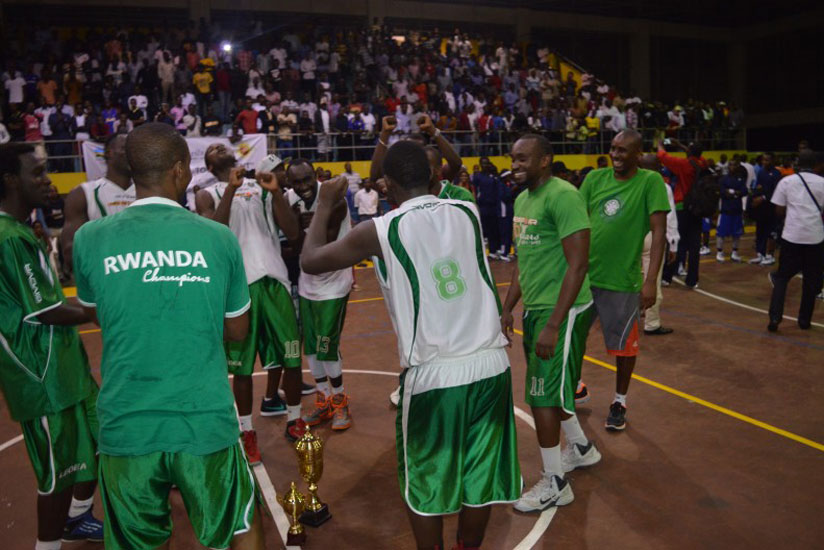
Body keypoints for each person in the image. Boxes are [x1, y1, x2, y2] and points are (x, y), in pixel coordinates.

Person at [300, 140, 521, 550]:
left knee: (424, 481)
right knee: (481, 479)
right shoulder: (466, 209)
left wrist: (325, 201)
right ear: (435, 177)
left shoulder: (380, 230)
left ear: (385, 185)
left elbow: (310, 260)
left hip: (434, 374)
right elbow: (447, 175)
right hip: (492, 366)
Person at [72, 123, 263, 550]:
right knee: (239, 524)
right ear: (180, 170)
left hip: (126, 425)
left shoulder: (90, 238)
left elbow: (102, 313)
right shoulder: (217, 237)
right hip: (203, 417)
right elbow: (237, 330)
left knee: (138, 542)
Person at [0, 143, 105, 550]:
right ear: (10, 180)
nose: (46, 181)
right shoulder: (9, 237)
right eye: (37, 173)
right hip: (41, 377)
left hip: (65, 369)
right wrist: (105, 309)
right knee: (57, 474)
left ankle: (77, 520)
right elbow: (45, 309)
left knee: (100, 440)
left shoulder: (22, 230)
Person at [501, 134, 601, 513]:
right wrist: (508, 307)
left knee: (541, 395)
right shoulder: (522, 200)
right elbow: (523, 262)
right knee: (551, 388)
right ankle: (581, 448)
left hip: (564, 309)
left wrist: (554, 325)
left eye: (524, 159)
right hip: (537, 309)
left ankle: (556, 483)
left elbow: (578, 265)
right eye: (513, 158)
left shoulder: (563, 195)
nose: (516, 165)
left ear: (545, 160)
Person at [196, 149, 305, 451]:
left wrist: (276, 192)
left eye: (223, 147)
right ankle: (247, 432)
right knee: (242, 367)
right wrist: (231, 189)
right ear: (209, 164)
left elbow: (293, 232)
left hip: (274, 280)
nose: (221, 148)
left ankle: (295, 420)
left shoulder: (262, 186)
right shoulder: (207, 194)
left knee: (292, 357)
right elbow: (212, 234)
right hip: (237, 288)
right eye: (214, 149)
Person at [579, 130, 670, 430]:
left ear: (638, 153)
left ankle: (619, 400)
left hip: (623, 280)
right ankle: (576, 387)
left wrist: (650, 281)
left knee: (624, 347)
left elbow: (659, 233)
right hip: (585, 276)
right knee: (573, 338)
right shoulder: (594, 179)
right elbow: (578, 221)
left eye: (623, 151)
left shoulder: (650, 181)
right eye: (613, 149)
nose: (616, 155)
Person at [285, 159, 354, 433]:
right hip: (307, 283)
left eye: (306, 180)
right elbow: (293, 241)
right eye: (295, 182)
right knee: (311, 346)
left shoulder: (333, 197)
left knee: (327, 343)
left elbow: (321, 243)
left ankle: (340, 402)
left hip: (335, 281)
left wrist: (308, 224)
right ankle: (324, 399)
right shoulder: (290, 198)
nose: (302, 187)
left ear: (315, 175)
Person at [61, 134, 135, 275]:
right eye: (126, 148)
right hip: (105, 280)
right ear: (108, 153)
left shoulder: (148, 193)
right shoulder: (83, 193)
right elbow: (70, 250)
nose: (132, 153)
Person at [767, 151, 824, 332]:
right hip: (815, 237)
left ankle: (775, 318)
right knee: (810, 280)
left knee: (782, 277)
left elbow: (778, 210)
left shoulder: (786, 181)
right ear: (816, 164)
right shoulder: (822, 183)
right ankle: (804, 321)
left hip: (792, 236)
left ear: (798, 163)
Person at [657, 140, 707, 288]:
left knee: (676, 242)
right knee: (694, 245)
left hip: (682, 207)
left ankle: (667, 276)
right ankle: (692, 280)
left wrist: (660, 144)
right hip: (697, 208)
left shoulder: (684, 164)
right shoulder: (702, 163)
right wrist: (682, 146)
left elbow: (662, 156)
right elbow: (695, 154)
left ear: (689, 152)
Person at [638, 154, 679, 336]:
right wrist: (673, 243)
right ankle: (652, 323)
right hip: (652, 237)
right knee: (652, 280)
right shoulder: (663, 187)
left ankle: (629, 317)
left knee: (631, 279)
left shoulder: (629, 184)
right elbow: (669, 218)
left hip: (630, 238)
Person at [749, 153, 782, 266]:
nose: (765, 162)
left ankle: (770, 255)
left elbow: (776, 191)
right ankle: (760, 254)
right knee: (760, 231)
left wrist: (763, 197)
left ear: (772, 160)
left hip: (772, 207)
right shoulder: (761, 172)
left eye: (767, 160)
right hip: (762, 208)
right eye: (763, 160)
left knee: (771, 232)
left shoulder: (777, 173)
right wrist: (755, 198)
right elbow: (758, 187)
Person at [716, 159, 748, 262]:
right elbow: (722, 192)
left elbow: (744, 191)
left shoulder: (741, 179)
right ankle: (719, 252)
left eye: (734, 165)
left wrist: (732, 192)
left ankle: (734, 252)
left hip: (737, 210)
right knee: (721, 233)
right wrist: (734, 193)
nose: (732, 167)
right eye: (730, 165)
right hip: (725, 211)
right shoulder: (723, 179)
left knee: (736, 234)